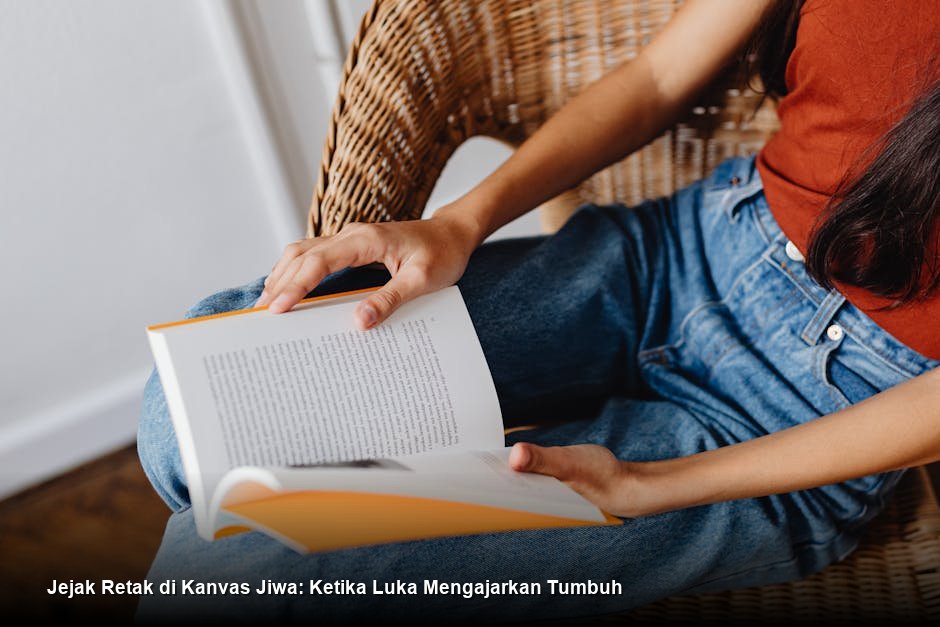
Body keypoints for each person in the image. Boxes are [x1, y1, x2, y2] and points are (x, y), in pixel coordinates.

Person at [136, 0, 940, 622]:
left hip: (808, 414)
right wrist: (459, 222)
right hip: (682, 253)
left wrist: (651, 486)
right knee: (185, 418)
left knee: (241, 567)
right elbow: (660, 77)